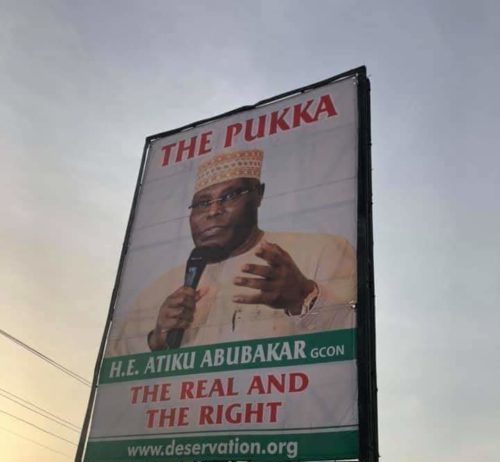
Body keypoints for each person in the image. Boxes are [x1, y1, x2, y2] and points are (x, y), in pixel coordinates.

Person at [106, 150, 356, 356]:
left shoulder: (322, 252)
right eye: (203, 203)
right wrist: (157, 339)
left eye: (229, 196)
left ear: (258, 195)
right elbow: (117, 370)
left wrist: (303, 297)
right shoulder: (157, 291)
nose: (214, 211)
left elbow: (353, 343)